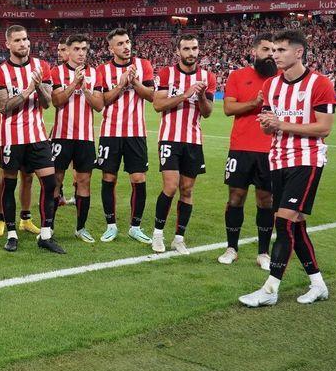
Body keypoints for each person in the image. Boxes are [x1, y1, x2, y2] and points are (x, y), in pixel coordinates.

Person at [239, 29, 335, 307]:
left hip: (307, 160)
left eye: (281, 50)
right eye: (272, 50)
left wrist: (282, 125)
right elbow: (272, 129)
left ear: (299, 52)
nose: (274, 55)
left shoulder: (320, 84)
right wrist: (269, 126)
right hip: (278, 159)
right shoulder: (271, 86)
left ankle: (270, 289)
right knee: (296, 225)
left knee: (283, 222)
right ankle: (318, 284)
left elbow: (324, 128)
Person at [0, 25, 66, 254]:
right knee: (9, 184)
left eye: (26, 39)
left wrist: (40, 88)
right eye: (18, 40)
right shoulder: (0, 72)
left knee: (50, 183)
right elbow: (3, 107)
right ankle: (11, 234)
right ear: (8, 44)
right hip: (11, 137)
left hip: (37, 135)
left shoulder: (42, 66)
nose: (24, 44)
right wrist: (27, 89)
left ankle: (45, 234)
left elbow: (46, 103)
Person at [150, 34, 216, 254]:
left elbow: (207, 113)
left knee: (187, 190)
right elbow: (158, 105)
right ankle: (157, 234)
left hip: (193, 140)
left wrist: (202, 97)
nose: (191, 53)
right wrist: (185, 95)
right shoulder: (167, 73)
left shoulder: (208, 77)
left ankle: (179, 238)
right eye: (186, 48)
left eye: (194, 48)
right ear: (178, 51)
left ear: (199, 50)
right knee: (170, 186)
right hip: (169, 137)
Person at [218, 33, 276, 267]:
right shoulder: (238, 76)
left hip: (270, 149)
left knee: (266, 200)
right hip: (241, 147)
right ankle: (231, 248)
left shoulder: (282, 79)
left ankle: (263, 252)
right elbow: (228, 108)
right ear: (254, 52)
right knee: (236, 197)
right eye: (265, 49)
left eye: (274, 50)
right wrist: (255, 103)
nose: (270, 54)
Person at [94, 28, 155, 244]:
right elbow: (101, 102)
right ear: (111, 48)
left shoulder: (143, 65)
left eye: (127, 42)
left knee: (138, 179)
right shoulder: (102, 70)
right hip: (110, 133)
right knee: (108, 178)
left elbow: (151, 96)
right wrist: (121, 84)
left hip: (136, 133)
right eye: (120, 44)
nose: (126, 46)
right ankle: (111, 226)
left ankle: (135, 227)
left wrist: (135, 82)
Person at [48, 33, 103, 243]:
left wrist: (85, 89)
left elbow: (98, 106)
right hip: (62, 136)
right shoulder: (57, 72)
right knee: (56, 182)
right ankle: (49, 227)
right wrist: (74, 85)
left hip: (86, 138)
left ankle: (80, 228)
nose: (81, 53)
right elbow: (57, 101)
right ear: (68, 51)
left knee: (84, 181)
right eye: (77, 49)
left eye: (84, 49)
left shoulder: (94, 74)